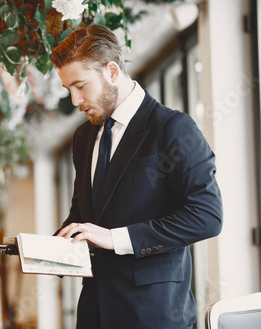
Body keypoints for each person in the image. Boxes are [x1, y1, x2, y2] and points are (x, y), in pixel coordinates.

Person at [51, 24, 223, 329]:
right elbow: (83, 215)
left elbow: (206, 216)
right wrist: (49, 252)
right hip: (93, 313)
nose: (75, 100)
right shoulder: (82, 137)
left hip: (152, 315)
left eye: (80, 85)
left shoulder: (173, 128)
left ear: (112, 71)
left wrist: (115, 238)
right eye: (68, 90)